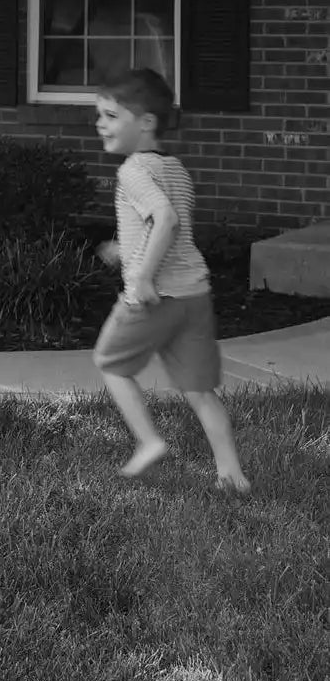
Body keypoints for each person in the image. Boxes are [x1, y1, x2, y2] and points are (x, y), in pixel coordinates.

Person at [93, 68, 251, 491]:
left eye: (111, 115)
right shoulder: (176, 168)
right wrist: (124, 249)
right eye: (100, 115)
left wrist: (142, 275)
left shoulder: (132, 170)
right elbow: (168, 230)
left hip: (154, 297)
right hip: (194, 294)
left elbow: (165, 219)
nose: (100, 124)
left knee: (110, 364)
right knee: (200, 390)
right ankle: (231, 473)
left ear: (146, 122)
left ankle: (148, 441)